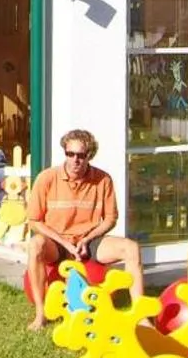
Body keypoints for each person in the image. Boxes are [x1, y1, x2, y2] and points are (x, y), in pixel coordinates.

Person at [24, 128, 145, 330]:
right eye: (70, 154)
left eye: (81, 155)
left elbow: (110, 219)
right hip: (57, 242)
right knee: (35, 245)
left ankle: (141, 317)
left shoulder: (103, 180)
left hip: (88, 240)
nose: (75, 160)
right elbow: (34, 220)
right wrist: (64, 243)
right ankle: (40, 314)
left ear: (90, 155)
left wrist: (87, 239)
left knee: (131, 248)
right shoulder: (46, 178)